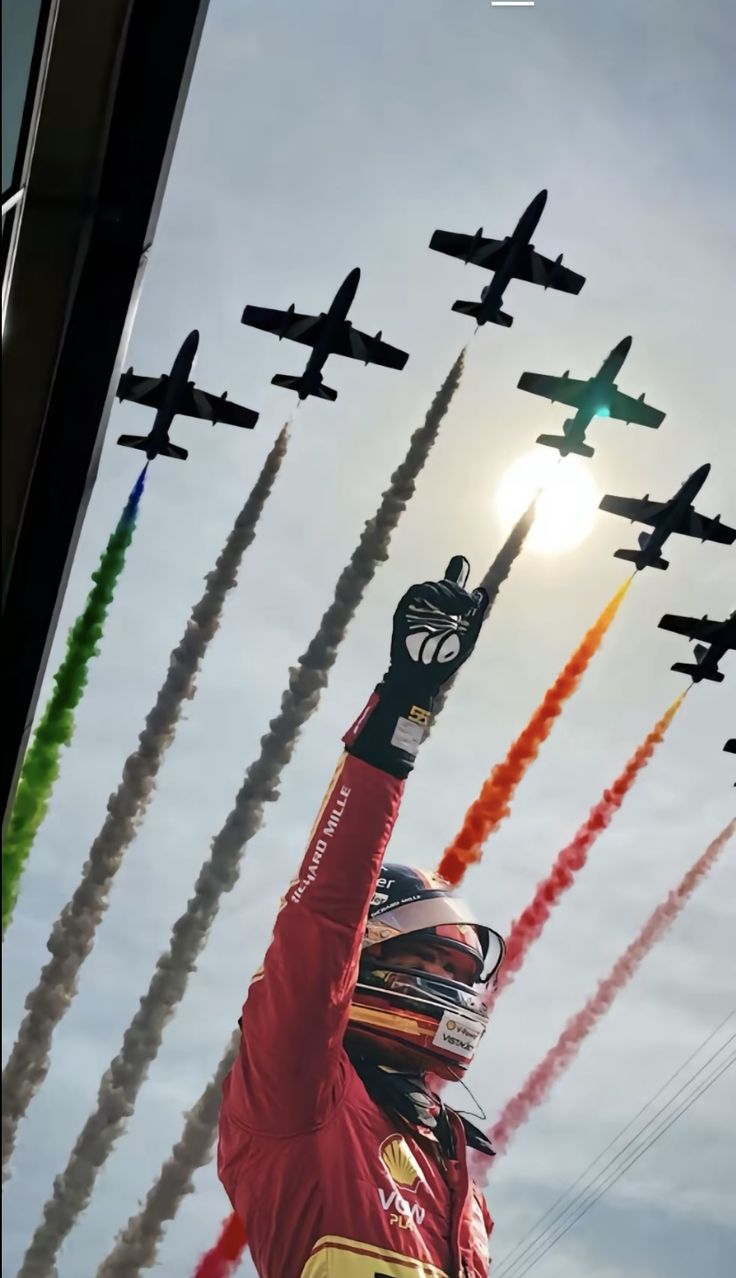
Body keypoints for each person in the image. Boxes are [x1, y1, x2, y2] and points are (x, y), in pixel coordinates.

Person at [218, 557, 506, 1277]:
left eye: (456, 972)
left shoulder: (457, 1171)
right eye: (426, 961)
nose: (446, 984)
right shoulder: (299, 1091)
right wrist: (406, 710)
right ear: (368, 958)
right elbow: (324, 915)